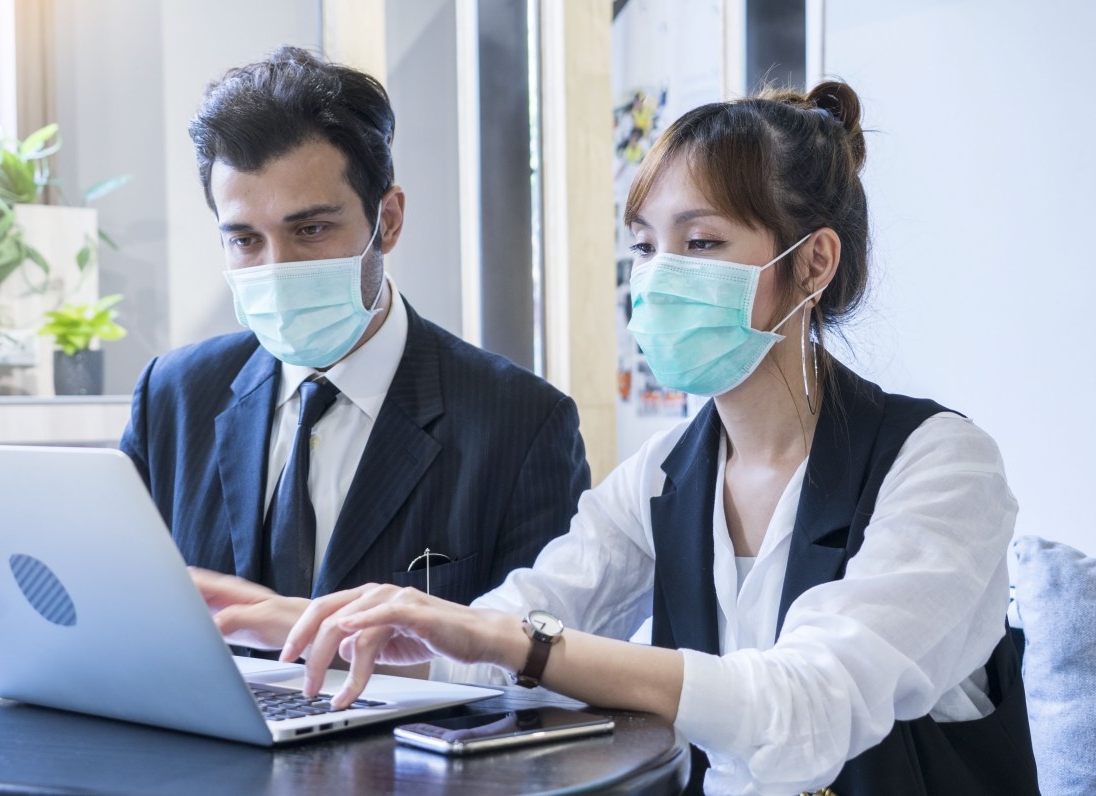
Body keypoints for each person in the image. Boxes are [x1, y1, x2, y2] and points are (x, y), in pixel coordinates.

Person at [217, 81, 1042, 794]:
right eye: (645, 246)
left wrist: (510, 640)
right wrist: (299, 622)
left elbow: (807, 703)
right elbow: (501, 632)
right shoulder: (663, 477)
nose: (657, 277)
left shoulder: (940, 466)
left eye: (702, 243)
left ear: (813, 263)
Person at [121, 47, 590, 630]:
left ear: (388, 220)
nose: (277, 266)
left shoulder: (520, 422)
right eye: (244, 240)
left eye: (311, 229)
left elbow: (544, 668)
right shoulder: (174, 395)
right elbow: (122, 607)